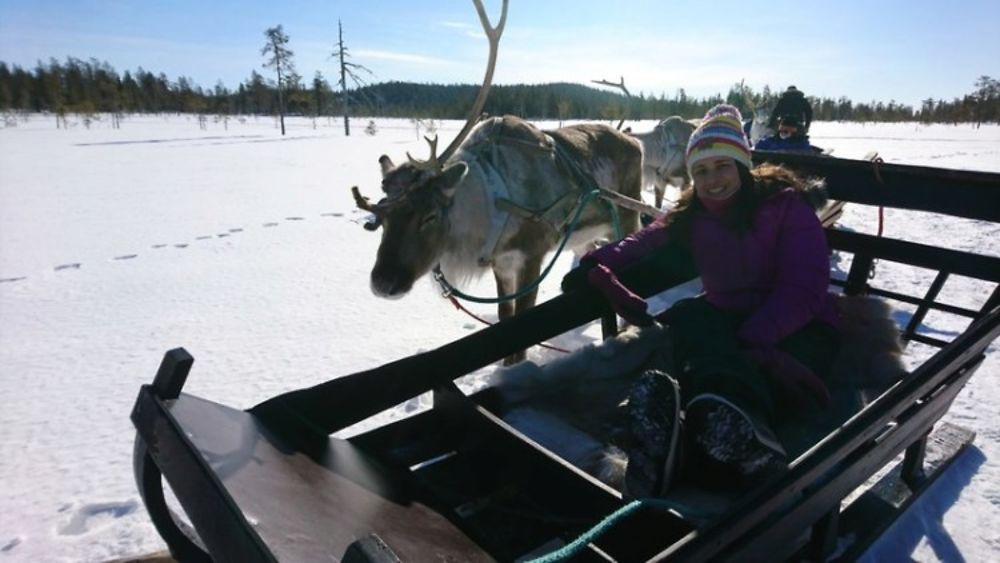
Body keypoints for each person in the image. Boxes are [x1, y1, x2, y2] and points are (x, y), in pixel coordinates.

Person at [571, 104, 841, 498]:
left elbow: (804, 287)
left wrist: (753, 337)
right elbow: (640, 243)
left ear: (741, 164)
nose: (712, 180)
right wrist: (595, 263)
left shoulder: (785, 206)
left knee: (753, 368)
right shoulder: (690, 213)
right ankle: (704, 429)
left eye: (721, 166)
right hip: (729, 323)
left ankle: (737, 439)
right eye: (701, 171)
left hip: (801, 327)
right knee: (690, 315)